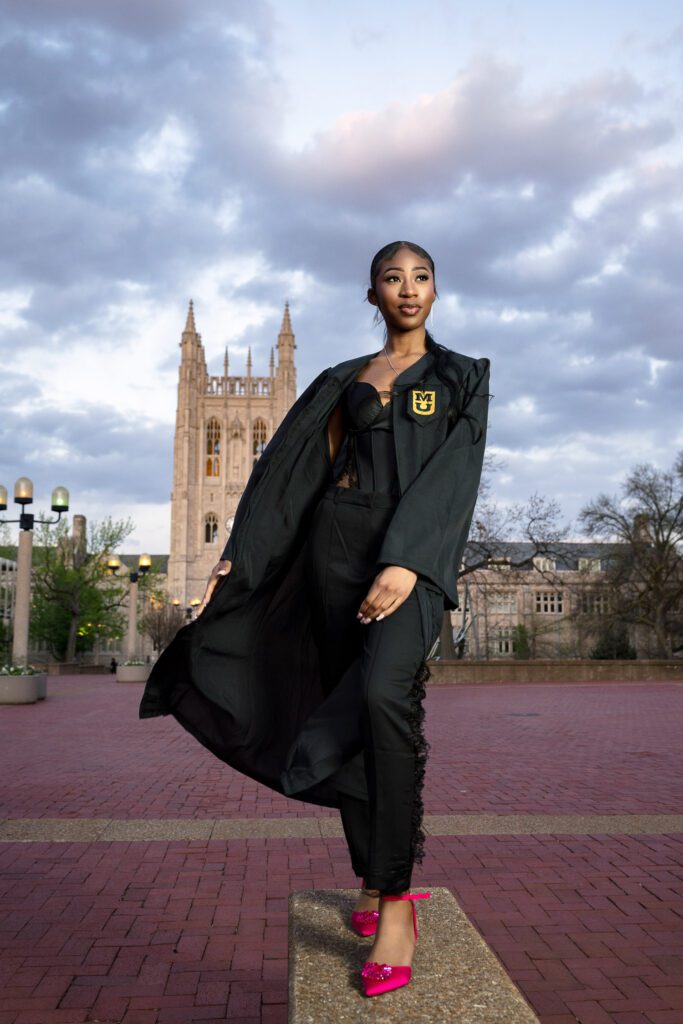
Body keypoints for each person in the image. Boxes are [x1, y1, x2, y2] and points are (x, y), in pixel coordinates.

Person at [139, 241, 491, 998]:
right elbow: (291, 477)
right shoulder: (341, 380)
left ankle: (395, 900)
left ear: (435, 290)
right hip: (334, 553)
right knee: (348, 709)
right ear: (373, 292)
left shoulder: (464, 377)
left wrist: (406, 561)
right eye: (392, 278)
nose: (407, 289)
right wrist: (237, 562)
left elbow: (454, 475)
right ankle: (371, 881)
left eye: (420, 277)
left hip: (409, 562)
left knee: (382, 698)